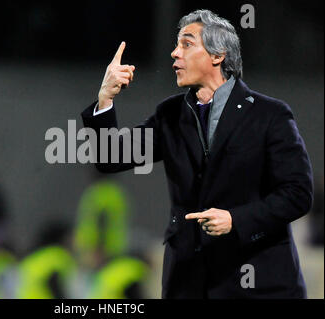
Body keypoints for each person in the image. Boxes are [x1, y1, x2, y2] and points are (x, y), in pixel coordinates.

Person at [81, 10, 313, 298]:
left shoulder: (269, 115)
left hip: (257, 285)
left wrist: (235, 219)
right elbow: (110, 158)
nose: (174, 53)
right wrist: (105, 98)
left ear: (218, 55)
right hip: (189, 284)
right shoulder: (170, 114)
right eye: (177, 45)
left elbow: (297, 194)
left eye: (186, 44)